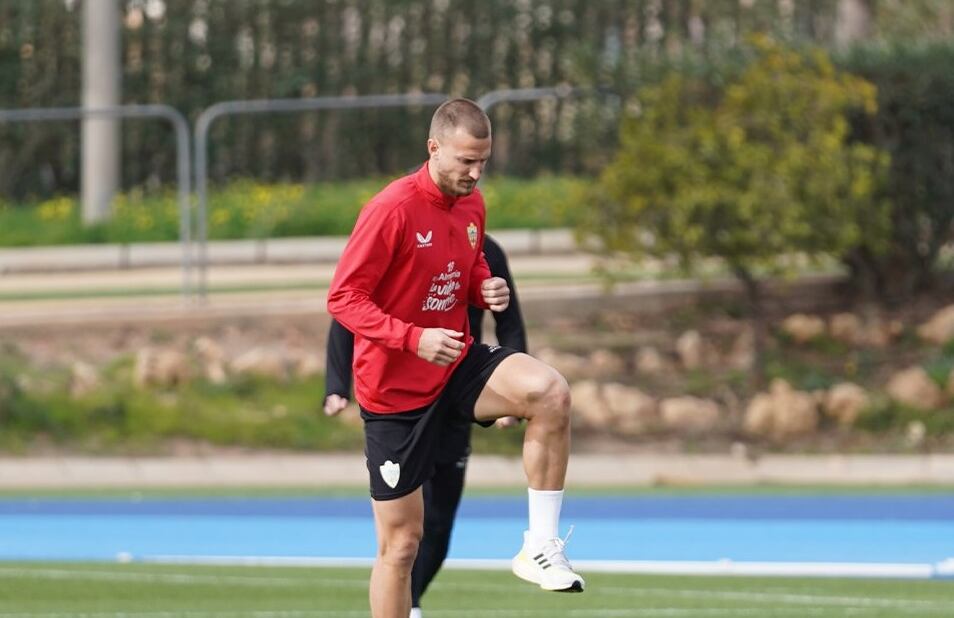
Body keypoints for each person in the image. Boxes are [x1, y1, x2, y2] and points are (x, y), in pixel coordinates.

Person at [327, 98, 583, 618]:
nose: (475, 172)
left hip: (453, 363)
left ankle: (540, 546)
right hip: (394, 390)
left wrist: (482, 286)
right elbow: (344, 299)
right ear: (433, 148)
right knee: (401, 545)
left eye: (483, 161)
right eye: (465, 161)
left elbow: (466, 263)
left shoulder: (472, 204)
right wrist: (411, 338)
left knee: (550, 392)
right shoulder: (390, 209)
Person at [324, 235, 526, 618]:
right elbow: (348, 310)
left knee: (440, 519)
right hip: (400, 398)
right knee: (401, 534)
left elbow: (510, 323)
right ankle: (408, 605)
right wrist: (336, 384)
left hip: (457, 394)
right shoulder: (394, 242)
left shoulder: (487, 250)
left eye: (478, 170)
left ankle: (412, 599)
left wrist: (512, 395)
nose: (472, 175)